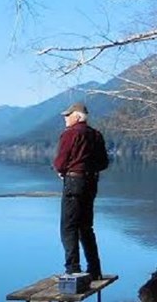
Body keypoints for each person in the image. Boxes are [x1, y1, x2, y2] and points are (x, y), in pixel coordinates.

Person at [53, 102, 109, 279]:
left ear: (77, 116)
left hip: (74, 181)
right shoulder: (96, 135)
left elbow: (60, 161)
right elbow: (104, 163)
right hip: (91, 182)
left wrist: (62, 171)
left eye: (68, 115)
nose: (65, 118)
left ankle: (73, 269)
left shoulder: (71, 134)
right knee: (86, 227)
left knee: (68, 227)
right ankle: (94, 269)